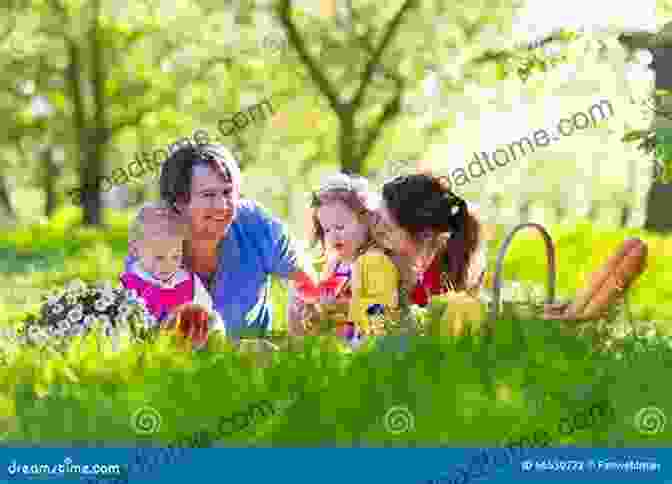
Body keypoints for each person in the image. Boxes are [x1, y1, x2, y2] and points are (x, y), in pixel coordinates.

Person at [123, 143, 318, 343]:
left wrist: (301, 327)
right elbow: (138, 328)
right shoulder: (153, 240)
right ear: (179, 202)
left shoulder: (255, 225)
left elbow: (305, 280)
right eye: (208, 195)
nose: (221, 206)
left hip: (255, 362)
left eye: (227, 193)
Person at [296, 174, 401, 347]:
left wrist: (342, 307)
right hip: (339, 349)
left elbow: (381, 312)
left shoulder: (375, 262)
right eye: (327, 230)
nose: (334, 235)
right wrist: (315, 313)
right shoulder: (335, 266)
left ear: (365, 221)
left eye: (340, 227)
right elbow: (325, 321)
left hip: (367, 347)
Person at [120, 201, 226, 348]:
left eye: (176, 256)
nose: (168, 264)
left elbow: (204, 310)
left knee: (214, 319)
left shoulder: (188, 281)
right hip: (152, 345)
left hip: (189, 343)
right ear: (135, 250)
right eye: (159, 257)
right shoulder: (130, 284)